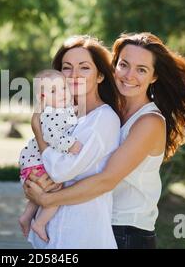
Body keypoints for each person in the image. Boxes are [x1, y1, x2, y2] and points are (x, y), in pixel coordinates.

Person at [25, 32, 185, 249]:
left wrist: (46, 200)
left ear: (154, 77)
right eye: (124, 64)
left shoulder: (149, 122)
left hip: (126, 231)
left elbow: (106, 180)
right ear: (113, 66)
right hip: (96, 222)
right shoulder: (108, 110)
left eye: (141, 70)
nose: (129, 75)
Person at [26, 35, 123, 249]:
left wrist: (38, 132)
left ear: (100, 76)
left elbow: (60, 171)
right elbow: (39, 167)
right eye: (67, 68)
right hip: (50, 233)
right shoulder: (63, 115)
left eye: (84, 68)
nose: (74, 75)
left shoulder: (104, 119)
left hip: (81, 233)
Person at [18, 69, 82, 242]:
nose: (61, 93)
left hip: (32, 164)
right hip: (36, 165)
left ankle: (26, 216)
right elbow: (50, 135)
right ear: (43, 97)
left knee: (43, 191)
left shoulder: (60, 110)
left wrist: (74, 110)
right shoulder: (50, 112)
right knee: (56, 193)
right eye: (54, 91)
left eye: (63, 88)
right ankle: (39, 223)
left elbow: (66, 119)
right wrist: (70, 145)